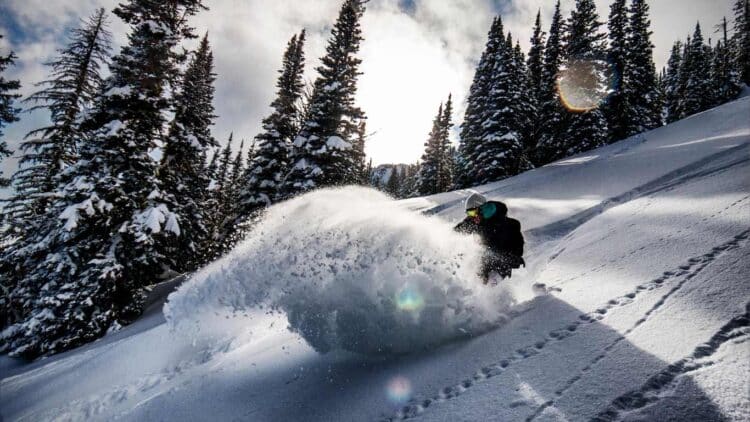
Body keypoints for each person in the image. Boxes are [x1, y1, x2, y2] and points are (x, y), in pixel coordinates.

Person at [454, 192, 525, 284]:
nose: (472, 216)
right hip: (484, 264)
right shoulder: (474, 221)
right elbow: (457, 231)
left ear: (482, 209)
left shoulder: (510, 225)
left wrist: (507, 261)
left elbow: (517, 250)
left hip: (504, 266)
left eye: (473, 212)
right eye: (469, 213)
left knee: (490, 284)